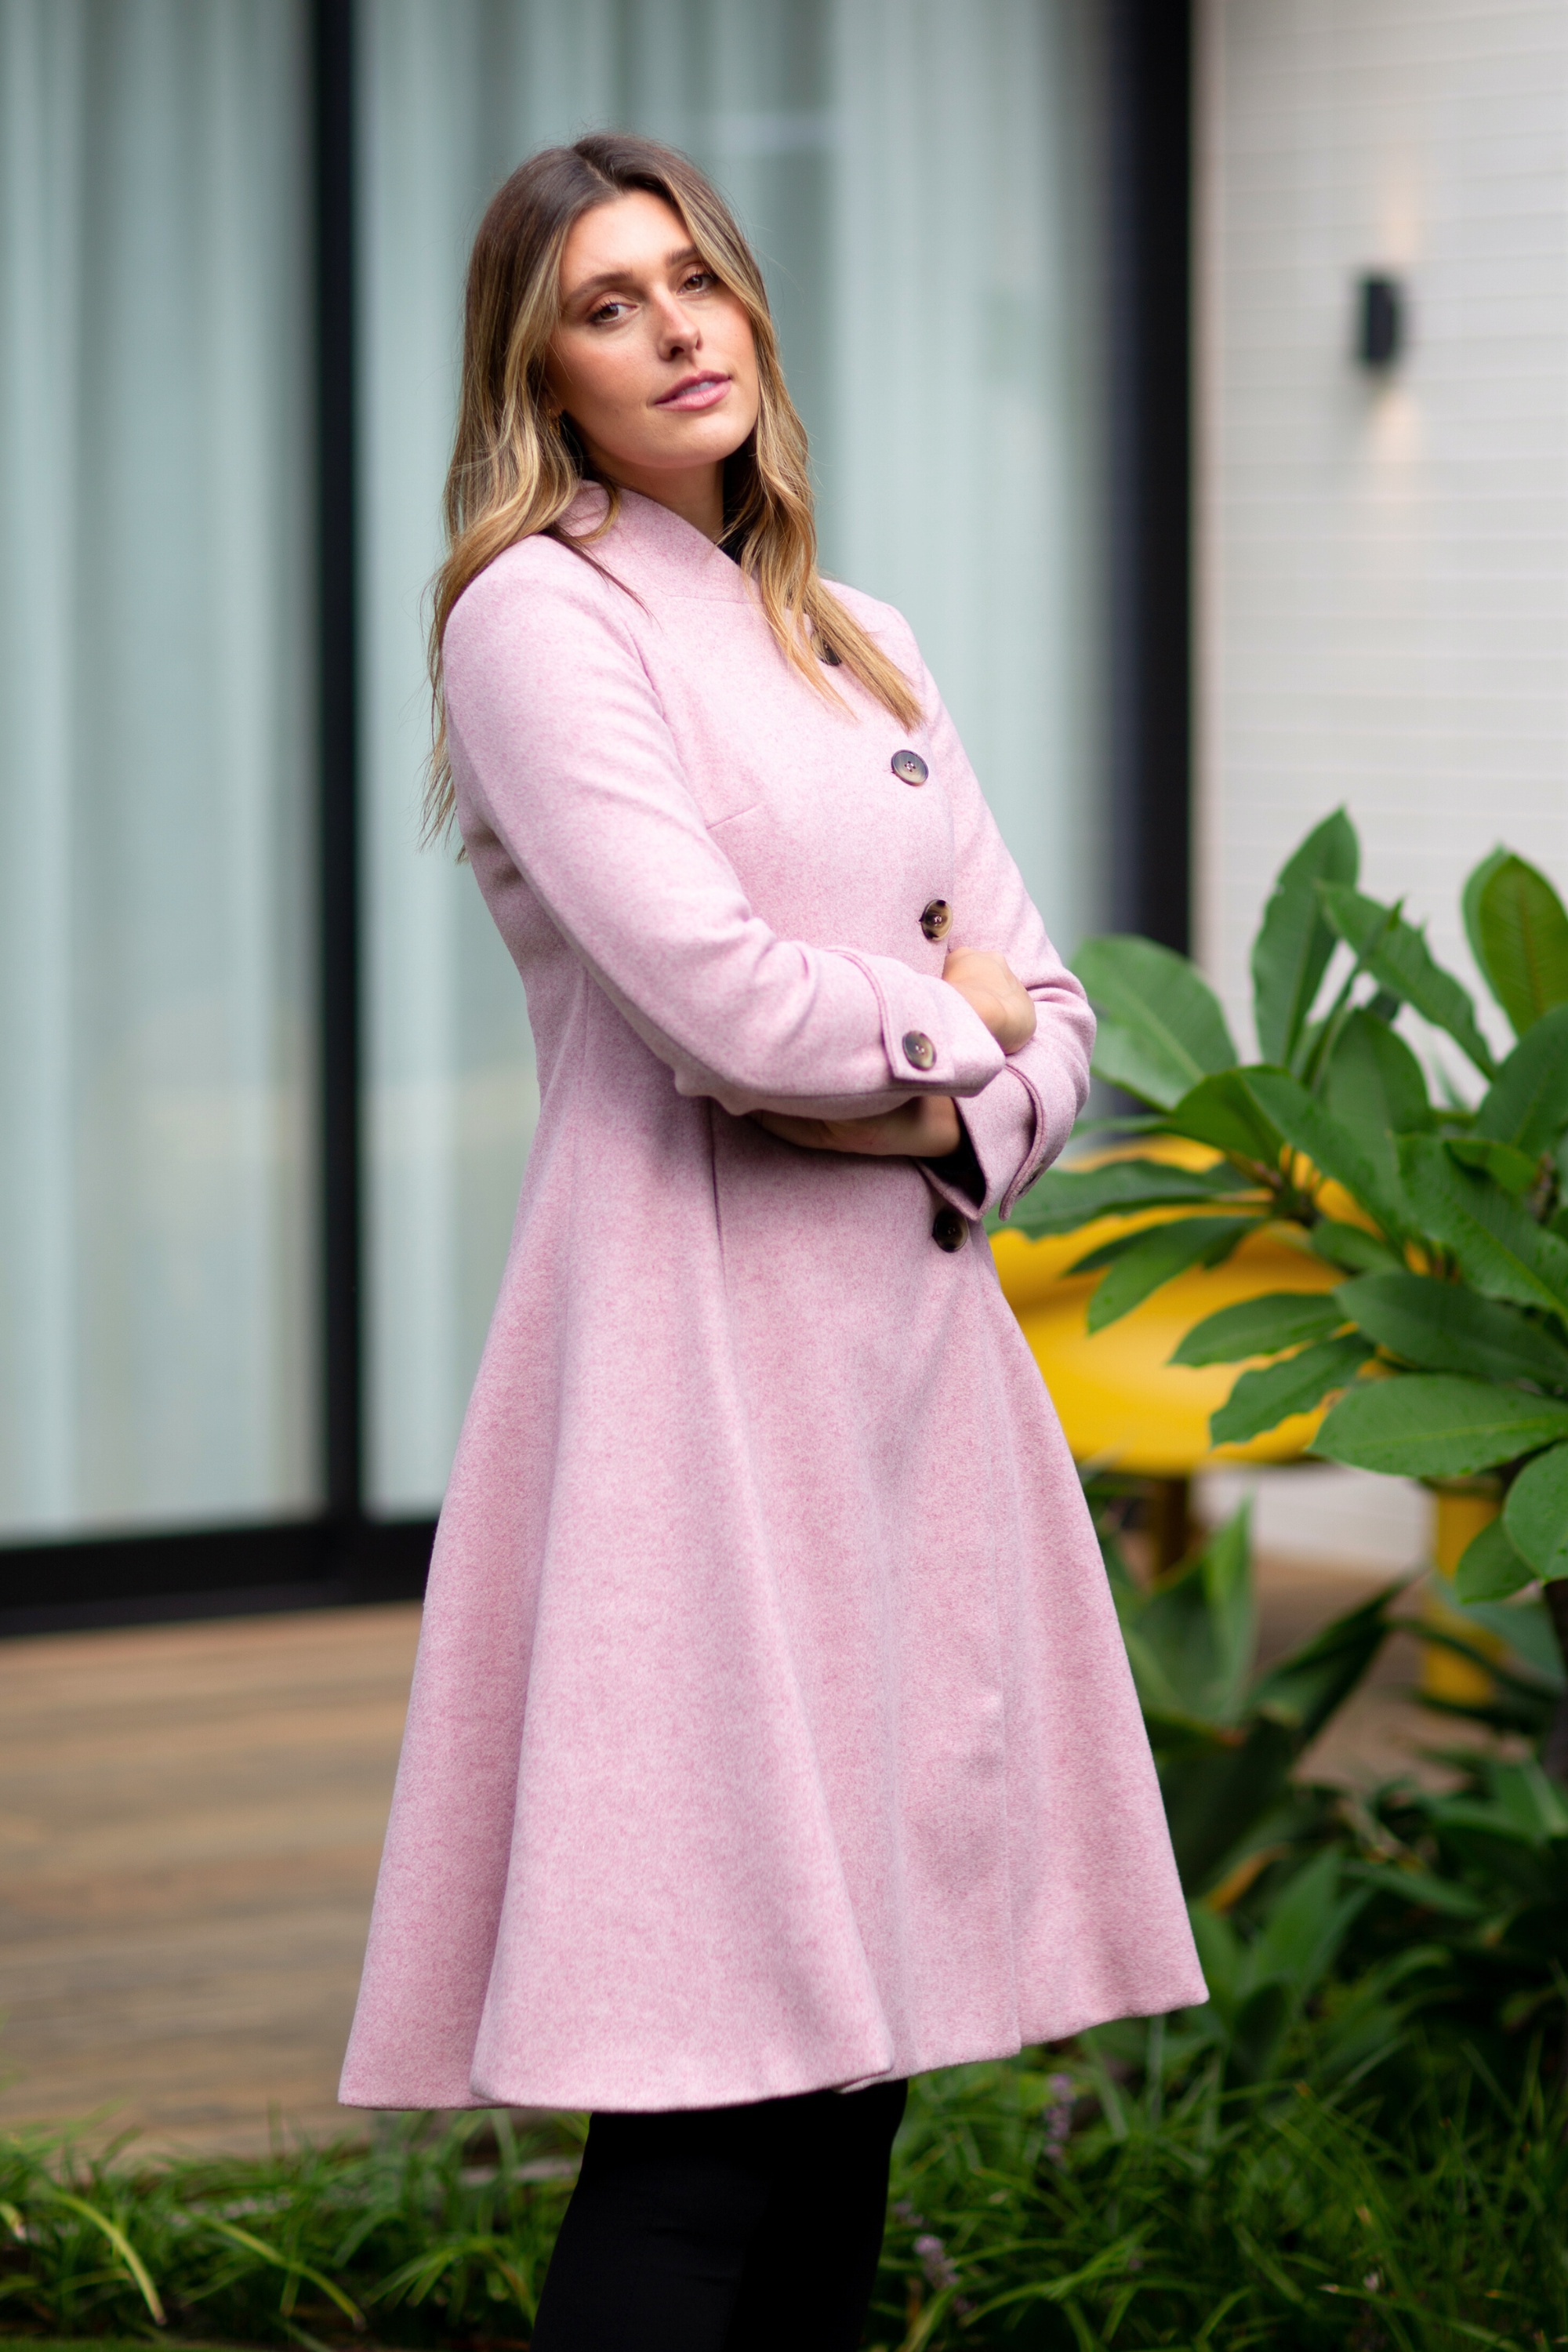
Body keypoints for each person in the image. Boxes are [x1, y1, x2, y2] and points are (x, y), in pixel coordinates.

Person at [339, 133, 1203, 2350]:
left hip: (913, 1400)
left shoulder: (862, 637)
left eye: (695, 279)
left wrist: (928, 1077)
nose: (675, 330)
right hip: (693, 1385)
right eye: (607, 304)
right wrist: (952, 1036)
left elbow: (1060, 1012)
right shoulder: (541, 616)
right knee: (708, 2112)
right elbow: (717, 1005)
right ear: (541, 373)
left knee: (851, 2092)